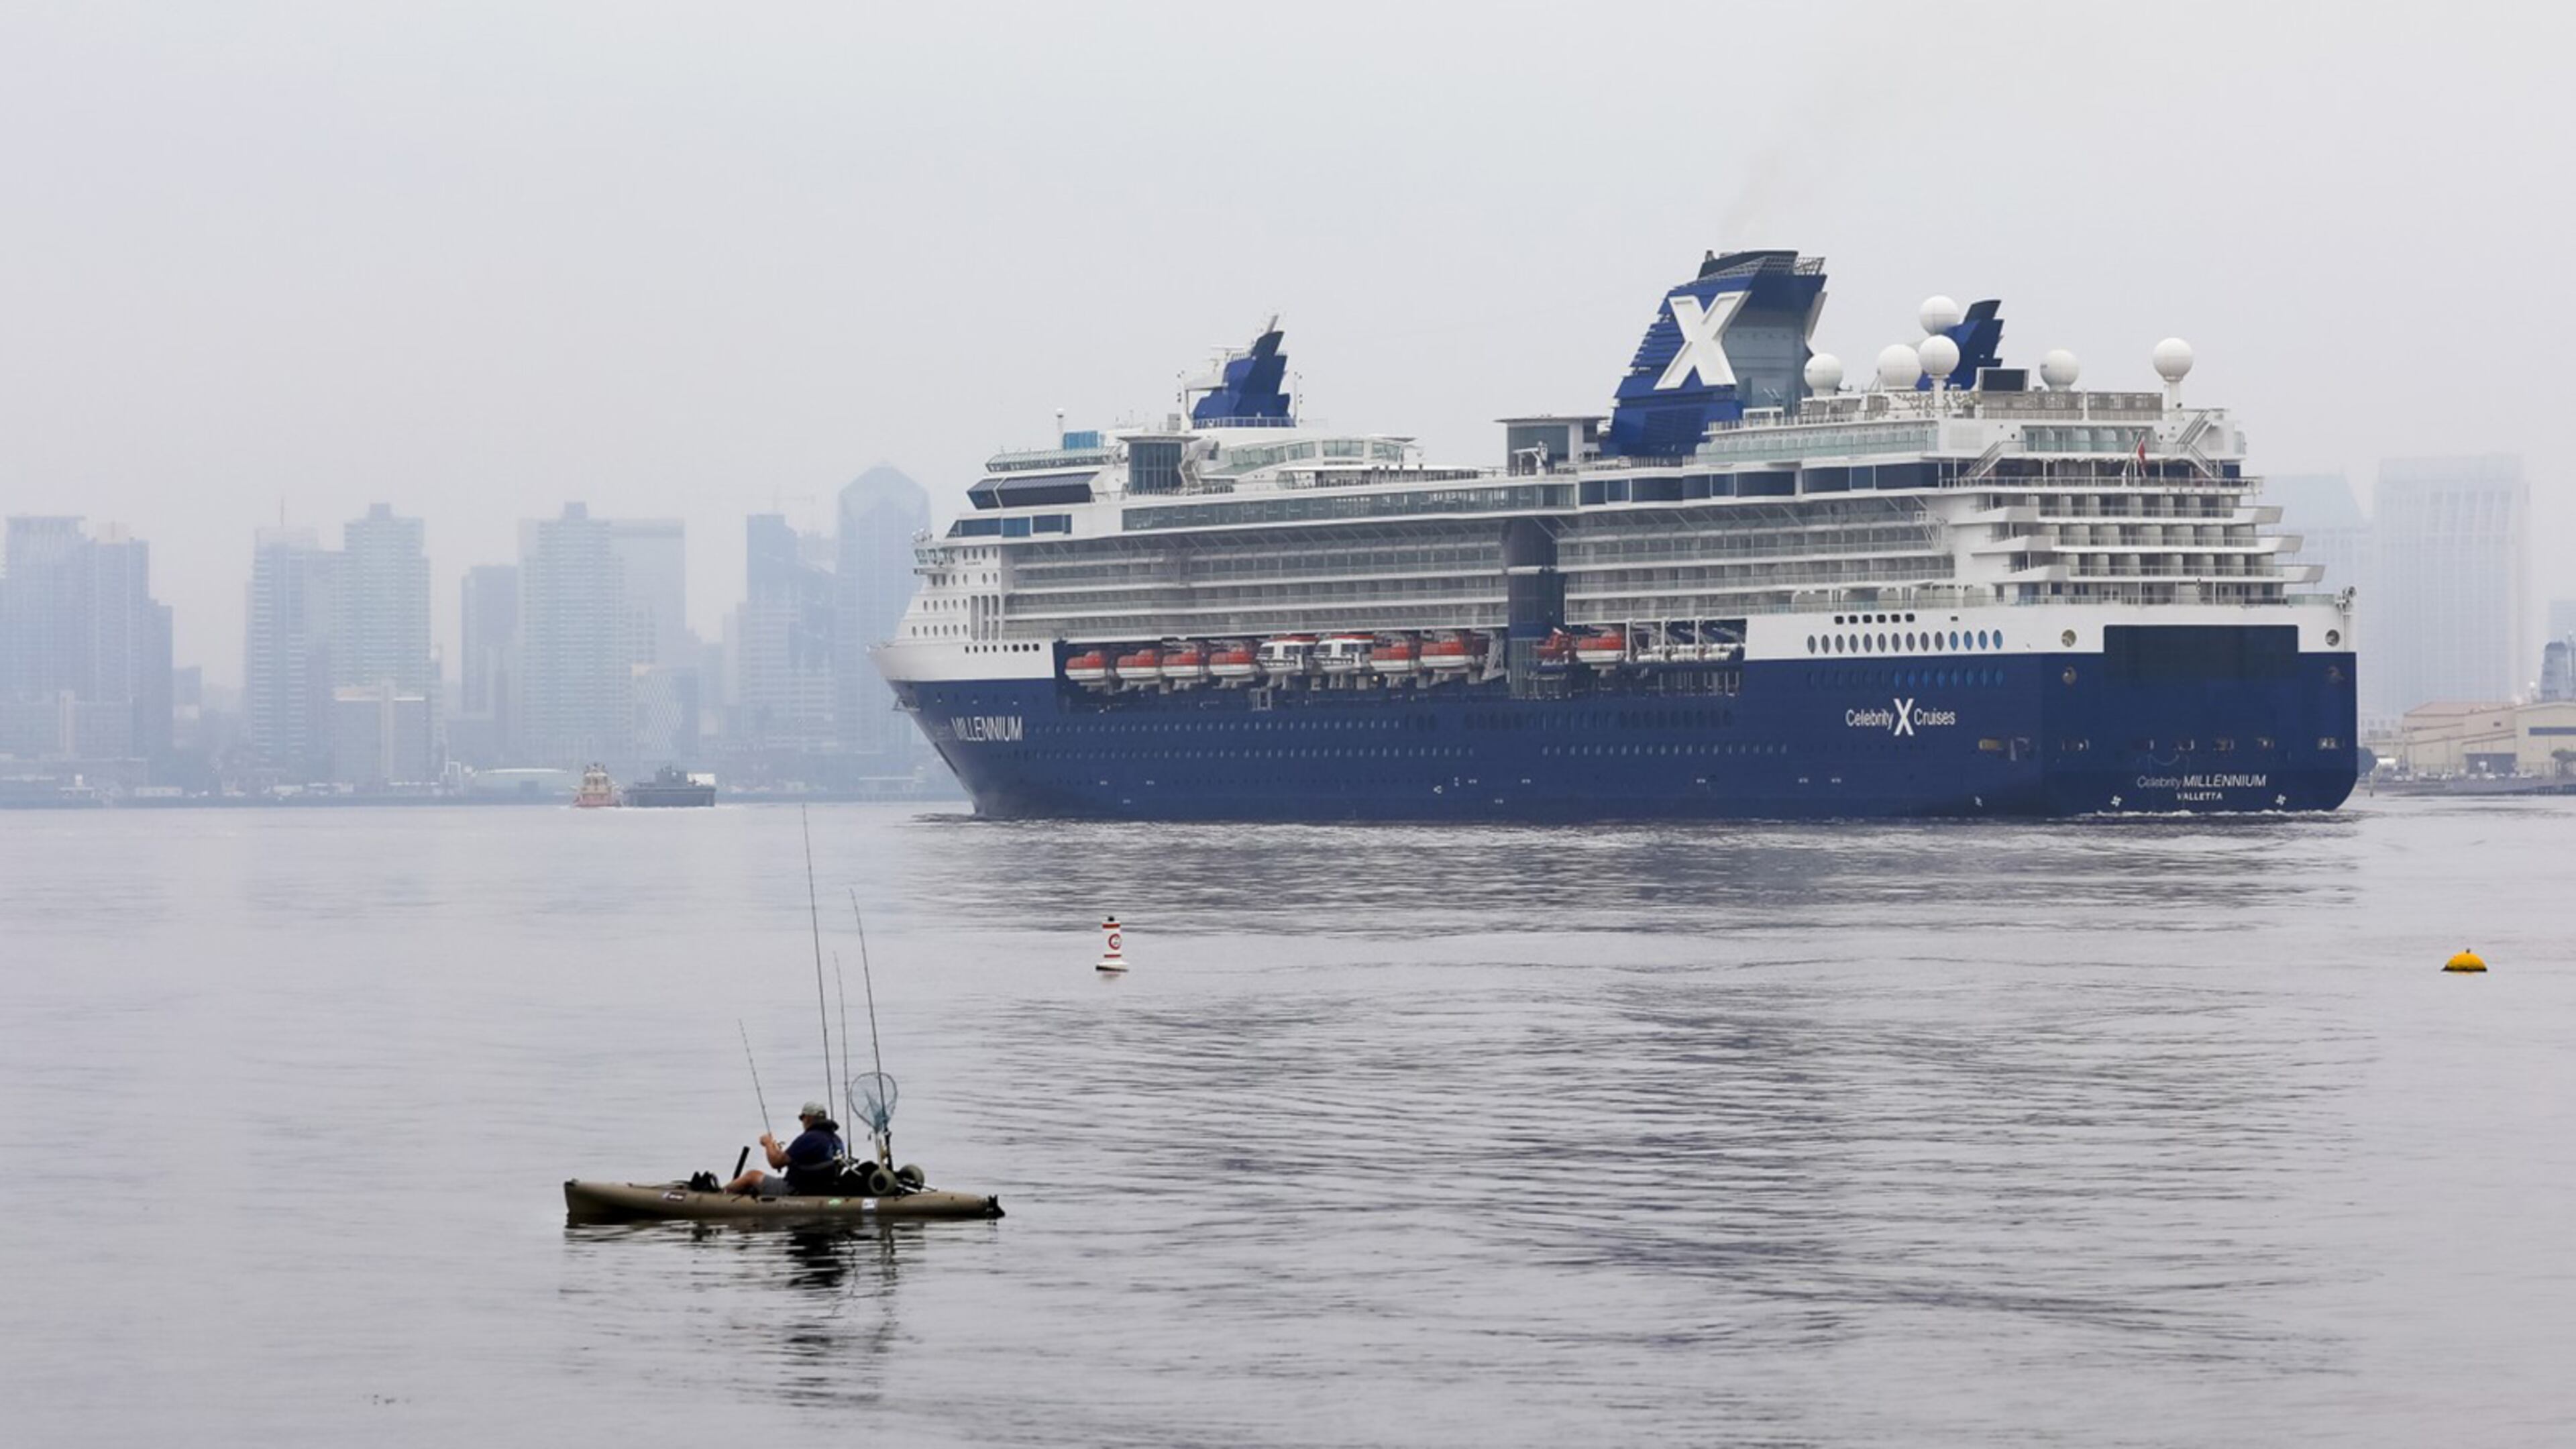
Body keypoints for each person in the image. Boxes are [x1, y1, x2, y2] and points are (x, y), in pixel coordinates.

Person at [724, 1102, 846, 1196]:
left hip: (796, 1190)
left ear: (807, 1118)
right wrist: (776, 1150)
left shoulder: (809, 1139)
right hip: (823, 1188)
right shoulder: (836, 1140)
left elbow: (776, 1163)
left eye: (802, 1118)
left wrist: (768, 1144)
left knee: (752, 1175)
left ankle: (719, 1196)